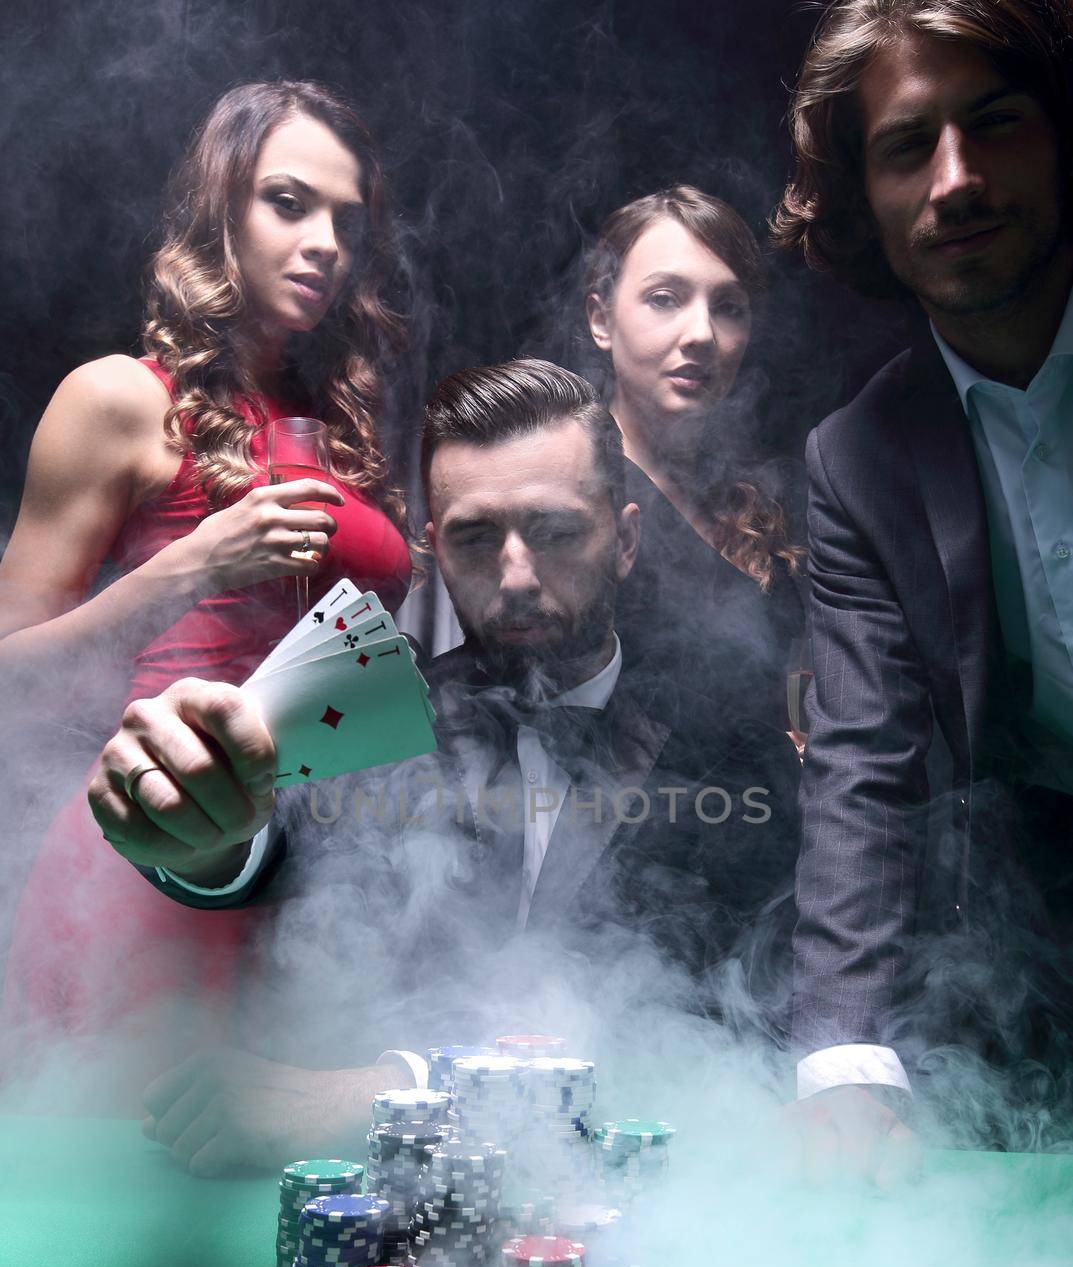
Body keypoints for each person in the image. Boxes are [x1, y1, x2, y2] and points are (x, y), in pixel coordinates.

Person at [86, 359, 802, 1174]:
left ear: (626, 540)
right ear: (433, 550)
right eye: (474, 537)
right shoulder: (379, 714)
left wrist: (406, 1088)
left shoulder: (727, 738)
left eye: (557, 531)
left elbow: (716, 1035)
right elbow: (257, 842)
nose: (518, 576)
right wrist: (196, 823)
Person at [0, 81, 416, 1096]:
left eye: (346, 219)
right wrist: (189, 567)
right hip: (160, 841)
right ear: (218, 212)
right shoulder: (117, 399)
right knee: (134, 1197)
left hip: (323, 869)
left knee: (302, 1212)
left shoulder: (339, 424)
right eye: (288, 202)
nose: (324, 240)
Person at [770, 0, 1073, 1150]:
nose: (955, 180)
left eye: (993, 125)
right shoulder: (853, 456)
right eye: (906, 146)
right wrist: (841, 1058)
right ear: (862, 197)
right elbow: (862, 765)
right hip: (1036, 928)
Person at [584, 187, 807, 742]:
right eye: (664, 298)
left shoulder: (751, 499)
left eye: (729, 307)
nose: (702, 334)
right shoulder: (570, 489)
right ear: (601, 319)